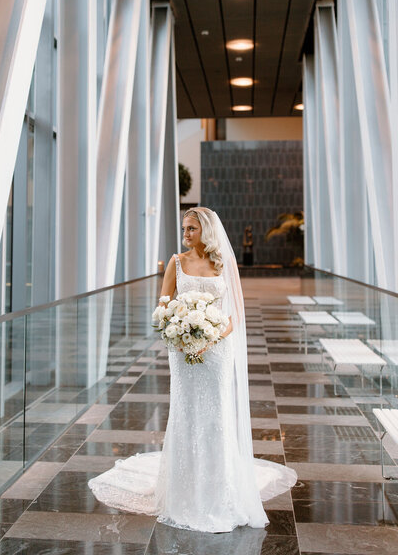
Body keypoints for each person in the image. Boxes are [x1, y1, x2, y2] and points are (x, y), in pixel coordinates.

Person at [89, 207, 297, 533]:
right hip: (182, 350)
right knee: (186, 412)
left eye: (191, 230)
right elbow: (163, 304)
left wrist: (211, 338)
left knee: (216, 416)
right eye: (184, 229)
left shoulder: (223, 264)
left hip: (216, 352)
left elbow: (235, 316)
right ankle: (184, 490)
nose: (185, 235)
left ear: (206, 231)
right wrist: (176, 329)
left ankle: (218, 490)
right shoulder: (176, 262)